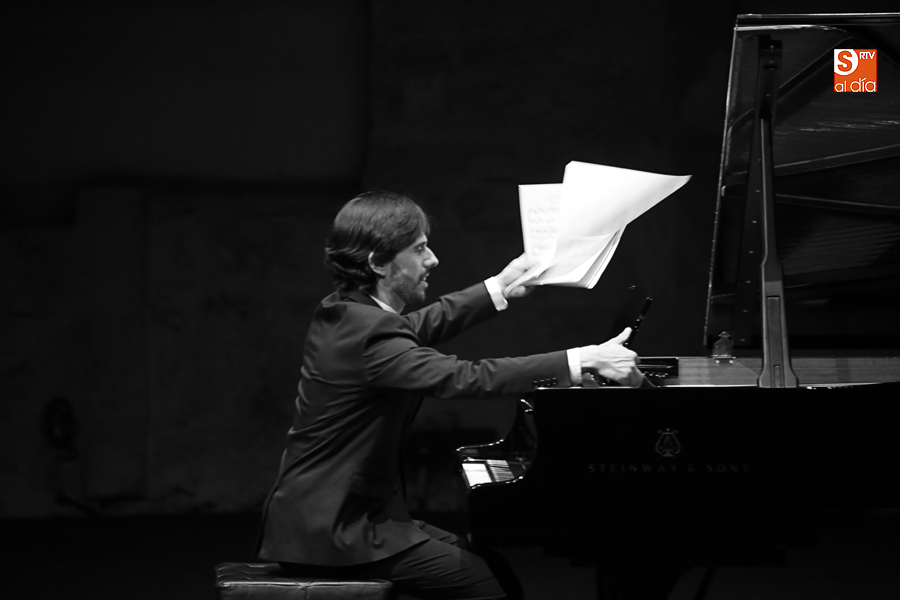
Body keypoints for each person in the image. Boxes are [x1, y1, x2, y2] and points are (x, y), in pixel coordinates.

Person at [255, 191, 646, 599]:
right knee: (486, 585)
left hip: (343, 516)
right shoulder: (369, 332)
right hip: (335, 530)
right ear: (378, 263)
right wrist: (580, 359)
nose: (433, 259)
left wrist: (500, 286)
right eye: (419, 248)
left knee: (488, 564)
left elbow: (421, 325)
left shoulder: (346, 312)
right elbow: (463, 377)